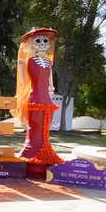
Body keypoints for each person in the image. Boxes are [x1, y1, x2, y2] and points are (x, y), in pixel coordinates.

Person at [12, 28, 62, 165]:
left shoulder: (49, 62)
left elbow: (51, 84)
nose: (42, 44)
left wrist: (51, 96)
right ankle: (32, 151)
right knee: (35, 126)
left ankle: (45, 150)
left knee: (45, 127)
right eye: (38, 41)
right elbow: (22, 84)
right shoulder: (25, 62)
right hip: (34, 97)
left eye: (45, 41)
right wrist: (22, 101)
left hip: (47, 98)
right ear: (30, 44)